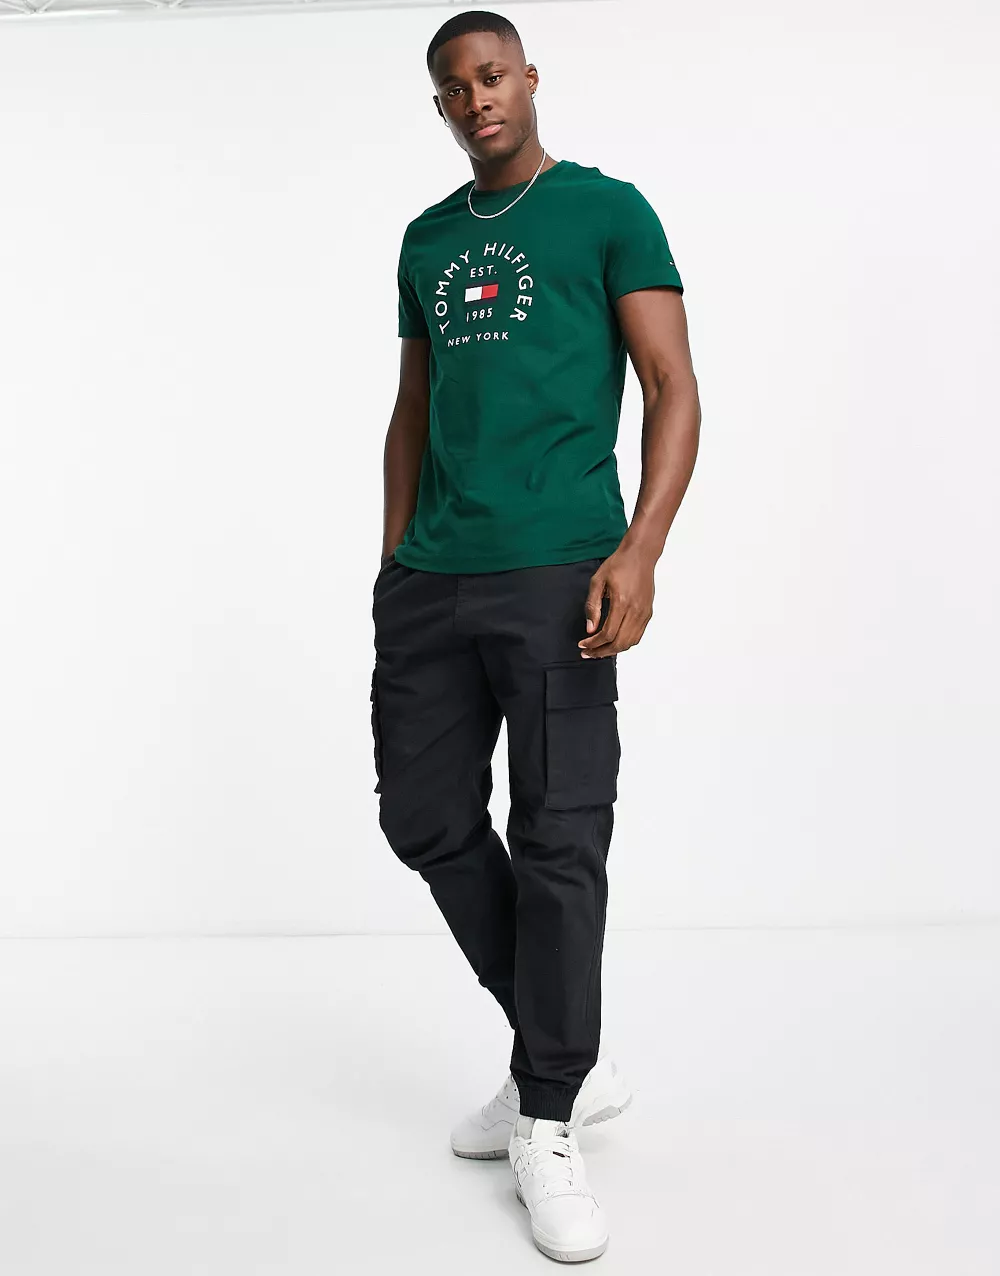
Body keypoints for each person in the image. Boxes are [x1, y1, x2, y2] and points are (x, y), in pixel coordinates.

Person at [370, 8, 700, 1262]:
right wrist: (393, 558)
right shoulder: (427, 239)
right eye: (455, 87)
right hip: (432, 576)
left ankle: (547, 1110)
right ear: (440, 106)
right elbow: (412, 408)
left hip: (562, 569)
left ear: (529, 78)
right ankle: (559, 1046)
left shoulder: (608, 211)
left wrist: (641, 548)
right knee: (424, 818)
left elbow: (672, 386)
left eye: (493, 75)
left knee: (559, 835)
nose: (477, 98)